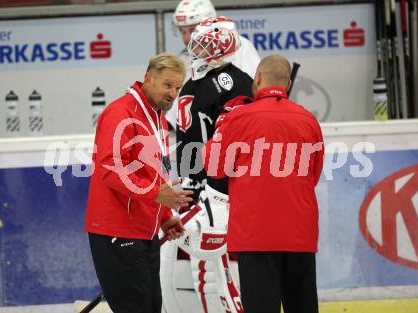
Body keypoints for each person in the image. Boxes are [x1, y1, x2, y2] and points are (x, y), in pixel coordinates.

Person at [202, 54, 324, 313]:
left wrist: (222, 126)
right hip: (299, 233)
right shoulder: (308, 120)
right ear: (288, 83)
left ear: (257, 78)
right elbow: (313, 174)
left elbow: (214, 167)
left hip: (255, 234)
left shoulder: (239, 118)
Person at [85, 52, 194, 313]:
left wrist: (166, 216)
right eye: (167, 85)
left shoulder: (155, 117)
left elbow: (153, 172)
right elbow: (111, 169)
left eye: (177, 87)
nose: (172, 93)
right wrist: (156, 195)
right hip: (117, 230)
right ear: (148, 79)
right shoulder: (120, 112)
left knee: (151, 307)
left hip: (144, 230)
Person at [161, 17, 254, 313]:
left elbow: (232, 141)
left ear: (221, 46)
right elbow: (191, 140)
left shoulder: (230, 82)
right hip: (207, 185)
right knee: (205, 266)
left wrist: (206, 187)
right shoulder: (201, 81)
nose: (195, 48)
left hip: (217, 190)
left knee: (217, 267)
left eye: (203, 43)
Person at [165, 0, 261, 129]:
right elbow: (185, 99)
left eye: (192, 30)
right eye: (183, 31)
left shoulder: (239, 46)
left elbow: (255, 90)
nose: (187, 38)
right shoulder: (187, 55)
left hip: (234, 125)